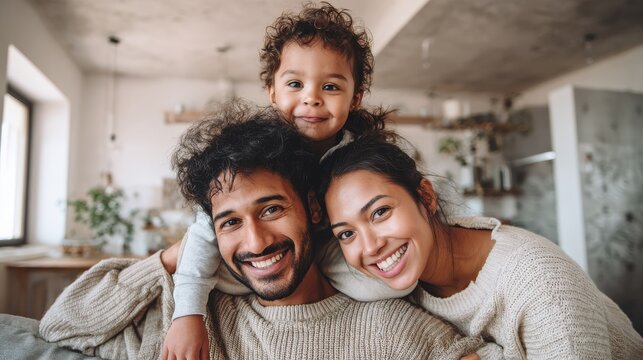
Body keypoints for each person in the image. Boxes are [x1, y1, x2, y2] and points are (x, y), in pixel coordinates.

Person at [38, 107, 488, 359]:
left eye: (271, 209)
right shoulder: (192, 323)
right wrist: (175, 258)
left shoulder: (391, 329)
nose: (254, 243)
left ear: (312, 209)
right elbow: (62, 323)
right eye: (229, 222)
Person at [165, 3, 413, 358]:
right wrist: (188, 313)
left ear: (355, 97)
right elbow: (204, 234)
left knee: (392, 287)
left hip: (329, 253)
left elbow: (412, 204)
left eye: (330, 86)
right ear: (272, 91)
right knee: (213, 262)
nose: (311, 97)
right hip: (259, 271)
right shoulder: (252, 160)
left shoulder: (360, 158)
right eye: (295, 83)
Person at [315, 133, 643, 359]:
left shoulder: (539, 282)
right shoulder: (404, 275)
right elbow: (324, 262)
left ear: (426, 197)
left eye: (380, 212)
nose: (370, 247)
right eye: (346, 234)